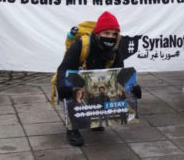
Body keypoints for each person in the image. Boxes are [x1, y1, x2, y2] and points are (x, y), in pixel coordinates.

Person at [55, 11, 142, 147]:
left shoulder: (115, 50)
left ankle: (95, 119)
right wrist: (61, 86)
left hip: (97, 80)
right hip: (78, 78)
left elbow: (119, 74)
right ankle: (72, 128)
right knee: (71, 87)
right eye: (106, 33)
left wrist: (133, 89)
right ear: (98, 34)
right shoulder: (81, 45)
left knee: (107, 87)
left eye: (114, 34)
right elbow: (63, 69)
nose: (111, 37)